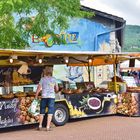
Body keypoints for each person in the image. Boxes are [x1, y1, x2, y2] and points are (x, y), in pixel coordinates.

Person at [35, 66, 59, 131]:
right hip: (51, 97)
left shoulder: (42, 79)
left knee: (42, 111)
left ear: (45, 72)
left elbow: (38, 88)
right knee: (50, 112)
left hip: (44, 97)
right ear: (51, 72)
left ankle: (40, 126)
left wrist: (36, 96)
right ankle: (47, 127)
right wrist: (55, 90)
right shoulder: (54, 79)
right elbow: (57, 89)